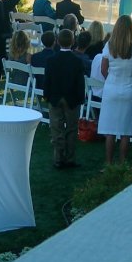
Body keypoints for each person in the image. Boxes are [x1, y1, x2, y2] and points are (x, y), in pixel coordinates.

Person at [98, 15, 132, 165]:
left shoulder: (110, 45)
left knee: (110, 130)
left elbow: (103, 69)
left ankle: (108, 163)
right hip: (129, 89)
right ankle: (122, 164)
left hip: (111, 88)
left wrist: (111, 80)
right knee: (125, 131)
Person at [44, 29, 85, 169]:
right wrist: (80, 98)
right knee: (72, 129)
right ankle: (70, 158)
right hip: (72, 99)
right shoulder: (77, 61)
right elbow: (80, 82)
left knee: (56, 128)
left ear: (57, 41)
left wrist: (47, 95)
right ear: (73, 42)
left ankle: (58, 158)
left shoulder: (51, 60)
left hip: (55, 98)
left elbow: (47, 80)